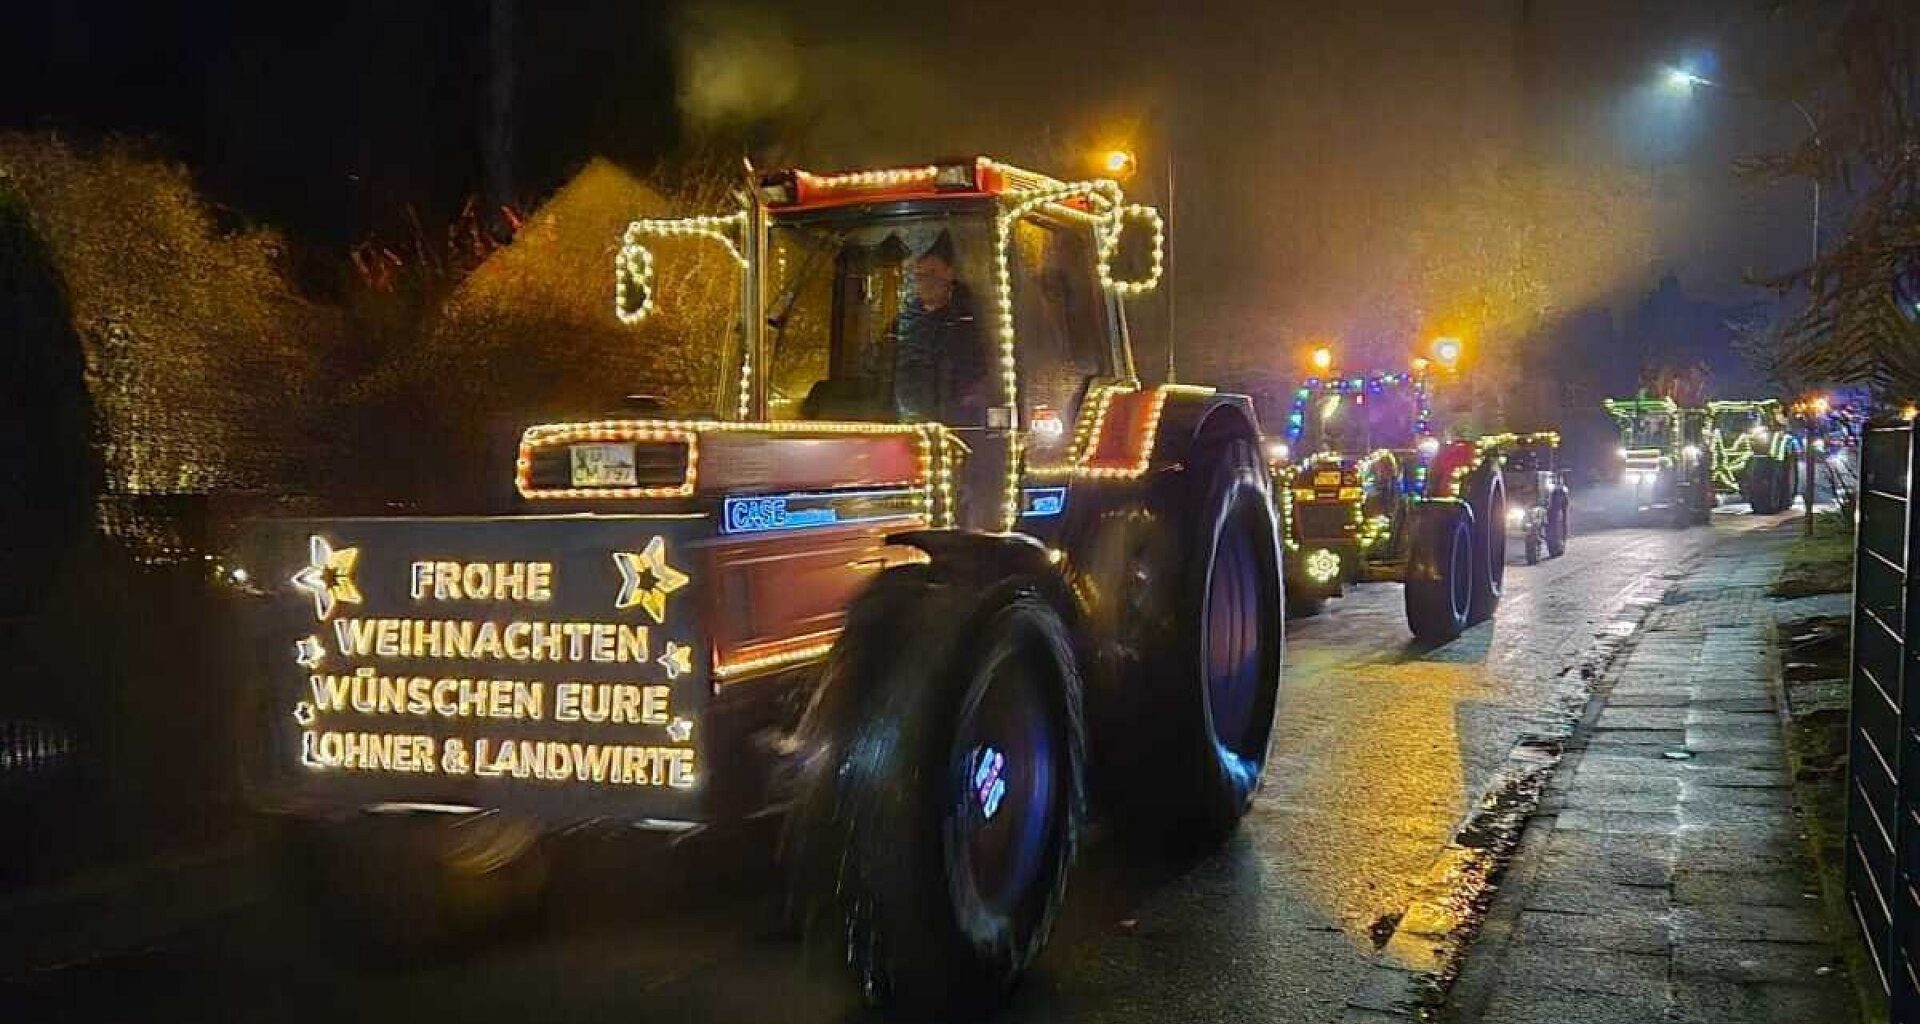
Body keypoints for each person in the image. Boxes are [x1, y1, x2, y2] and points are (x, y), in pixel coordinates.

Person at [889, 232, 986, 423]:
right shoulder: (902, 323)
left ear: (950, 273)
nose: (926, 281)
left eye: (932, 273)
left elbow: (978, 374)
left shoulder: (970, 320)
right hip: (905, 420)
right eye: (920, 275)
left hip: (956, 421)